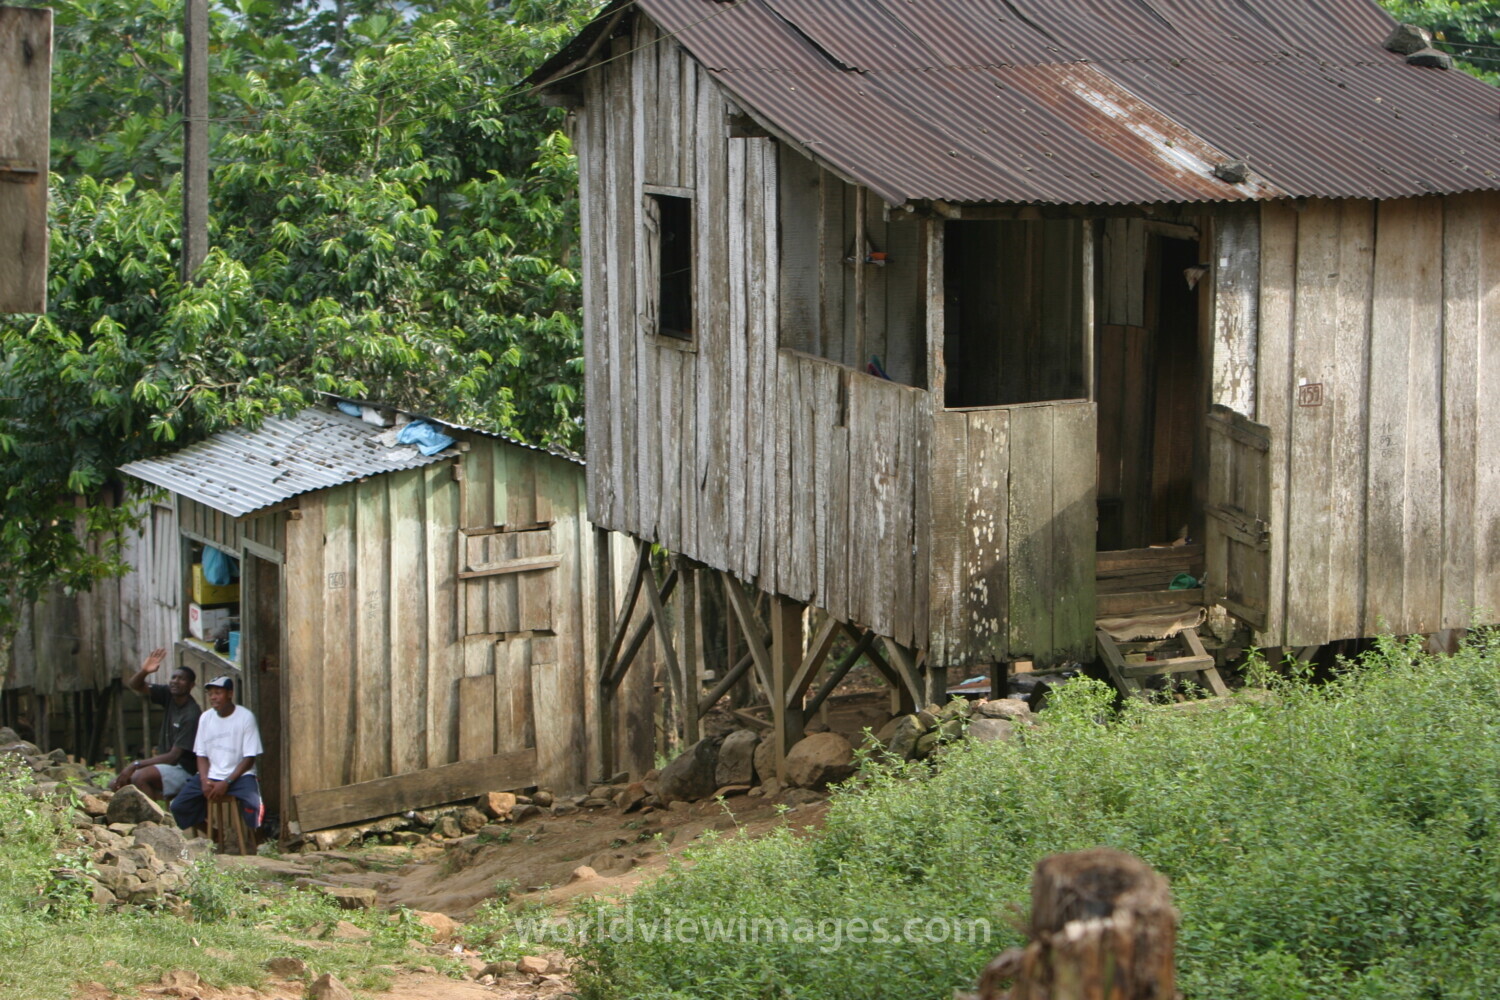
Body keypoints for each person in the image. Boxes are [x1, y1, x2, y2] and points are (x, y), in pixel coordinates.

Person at [170, 675, 265, 835]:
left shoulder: (245, 717)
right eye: (210, 694)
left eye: (218, 693)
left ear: (230, 694)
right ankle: (214, 835)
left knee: (253, 806)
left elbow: (249, 758)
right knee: (179, 806)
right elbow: (201, 755)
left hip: (240, 776)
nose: (213, 697)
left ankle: (257, 842)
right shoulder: (206, 718)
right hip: (212, 776)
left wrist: (227, 782)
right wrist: (204, 781)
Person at [110, 648, 200, 802]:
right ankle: (132, 821)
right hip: (166, 766)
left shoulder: (191, 714)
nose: (176, 681)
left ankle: (154, 822)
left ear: (191, 685)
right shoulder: (169, 695)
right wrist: (145, 671)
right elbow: (135, 685)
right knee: (116, 784)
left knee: (140, 777)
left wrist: (136, 764)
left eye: (182, 679)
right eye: (173, 677)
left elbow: (173, 757)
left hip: (184, 770)